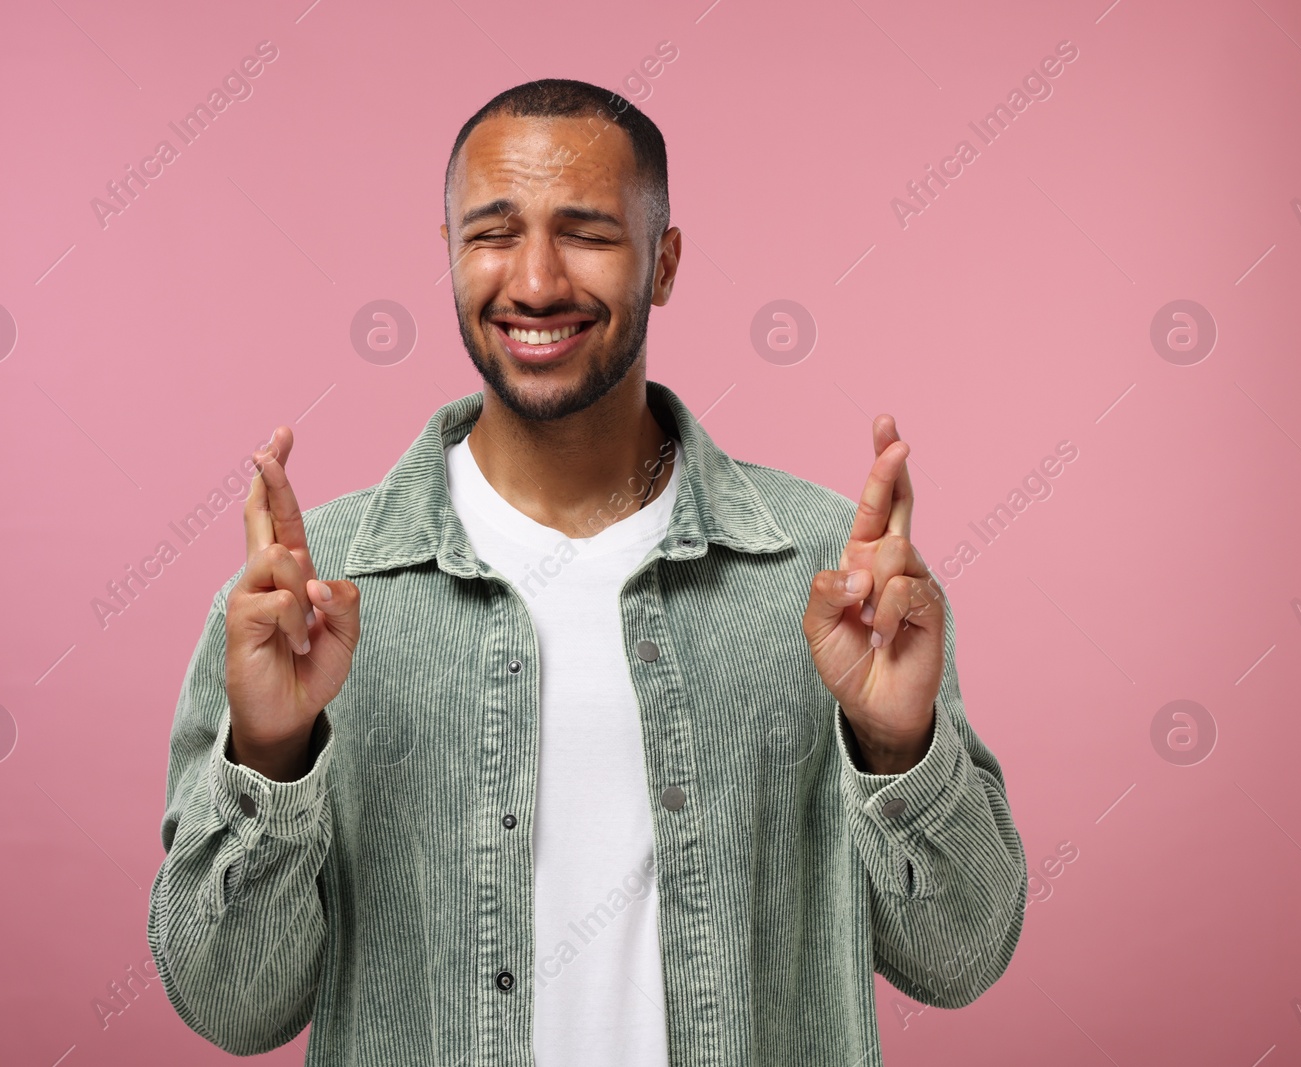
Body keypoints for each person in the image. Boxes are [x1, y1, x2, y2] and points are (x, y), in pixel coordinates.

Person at [148, 78, 1027, 1066]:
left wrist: (896, 740)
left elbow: (958, 959)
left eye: (586, 232)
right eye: (492, 233)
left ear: (664, 262)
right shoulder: (303, 595)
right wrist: (270, 752)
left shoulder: (830, 576)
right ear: (447, 254)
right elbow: (230, 1006)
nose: (533, 280)